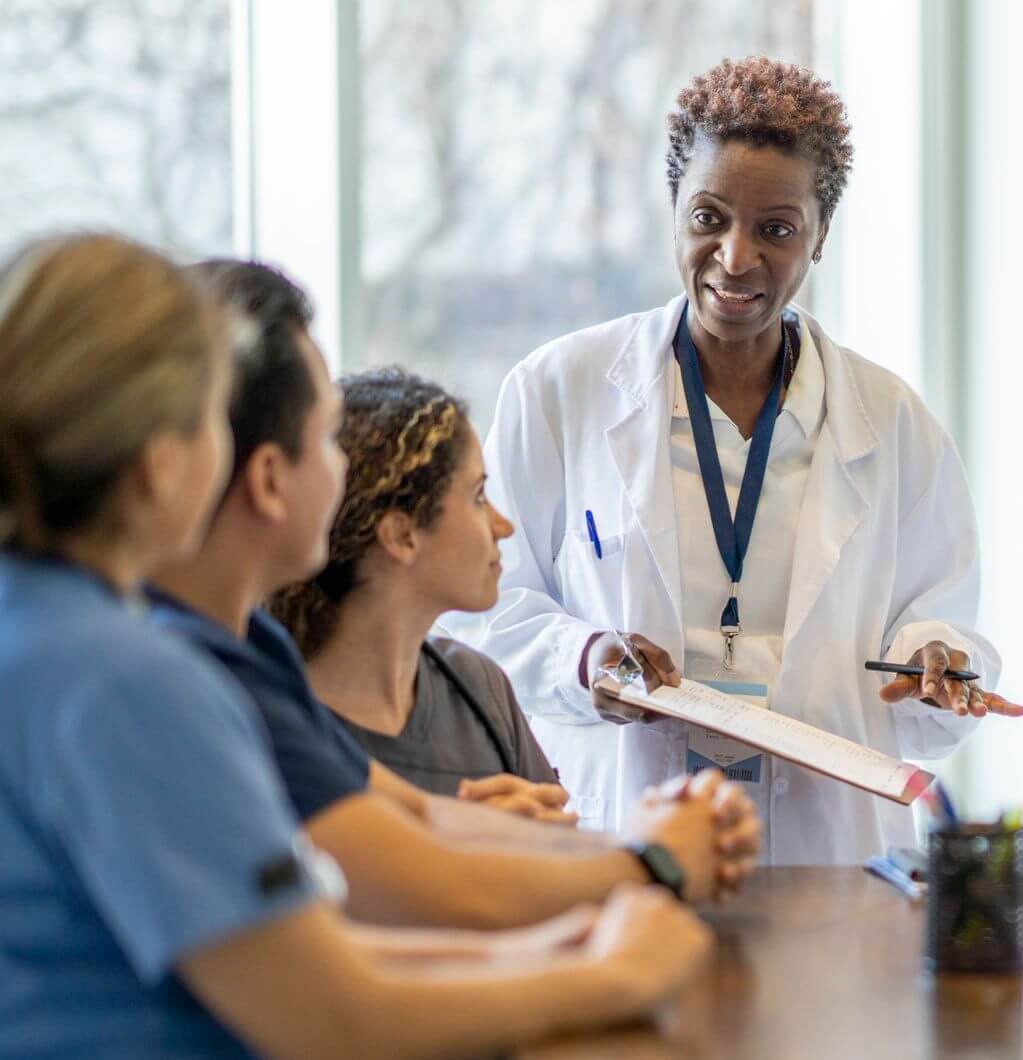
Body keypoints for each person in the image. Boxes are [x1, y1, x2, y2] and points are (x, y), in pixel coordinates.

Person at [0, 233, 707, 1057]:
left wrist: (539, 952)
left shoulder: (47, 628)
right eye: (210, 424)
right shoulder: (127, 679)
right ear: (162, 464)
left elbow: (289, 950)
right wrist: (617, 972)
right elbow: (329, 1015)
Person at [446, 56, 1023, 859]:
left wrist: (937, 660)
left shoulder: (893, 423)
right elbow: (477, 611)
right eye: (708, 217)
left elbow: (938, 623)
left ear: (819, 238)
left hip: (828, 848)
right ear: (673, 212)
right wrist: (582, 659)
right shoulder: (557, 391)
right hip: (624, 824)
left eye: (776, 229)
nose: (735, 256)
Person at [154, 259, 758, 931]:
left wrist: (523, 837)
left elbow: (416, 830)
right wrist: (654, 862)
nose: (341, 473)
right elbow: (366, 956)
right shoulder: (174, 682)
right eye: (324, 439)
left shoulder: (253, 656)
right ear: (268, 477)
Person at [272, 368, 562, 802]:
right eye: (478, 497)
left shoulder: (478, 688)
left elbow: (569, 851)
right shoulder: (276, 719)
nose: (502, 526)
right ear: (401, 535)